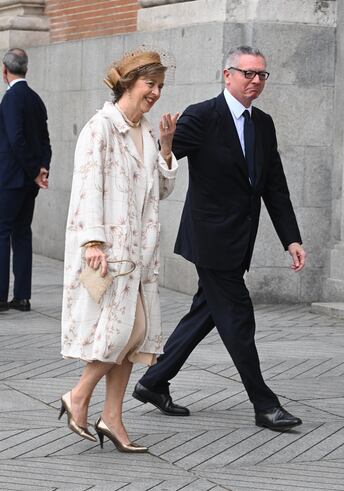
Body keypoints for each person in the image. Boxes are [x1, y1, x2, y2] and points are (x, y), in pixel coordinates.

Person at [133, 46, 306, 431]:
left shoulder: (263, 123)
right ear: (227, 75)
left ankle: (152, 382)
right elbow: (159, 164)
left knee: (206, 312)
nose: (255, 82)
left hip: (240, 239)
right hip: (210, 239)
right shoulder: (202, 116)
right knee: (238, 317)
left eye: (261, 75)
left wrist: (290, 238)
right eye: (247, 74)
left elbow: (274, 187)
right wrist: (164, 144)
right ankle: (265, 404)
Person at [60, 48, 179, 452]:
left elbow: (161, 191)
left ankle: (111, 418)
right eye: (151, 84)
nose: (156, 93)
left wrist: (165, 149)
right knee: (126, 332)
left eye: (161, 85)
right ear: (128, 83)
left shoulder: (145, 131)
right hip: (109, 250)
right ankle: (79, 396)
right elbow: (87, 186)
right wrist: (92, 240)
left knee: (136, 335)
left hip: (141, 254)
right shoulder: (100, 128)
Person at [0, 48, 51, 313]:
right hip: (29, 183)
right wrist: (43, 169)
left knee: (2, 233)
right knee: (22, 234)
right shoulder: (35, 99)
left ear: (4, 70)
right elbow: (45, 140)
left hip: (10, 179)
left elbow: (16, 140)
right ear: (26, 69)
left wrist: (34, 170)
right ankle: (22, 297)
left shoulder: (10, 99)